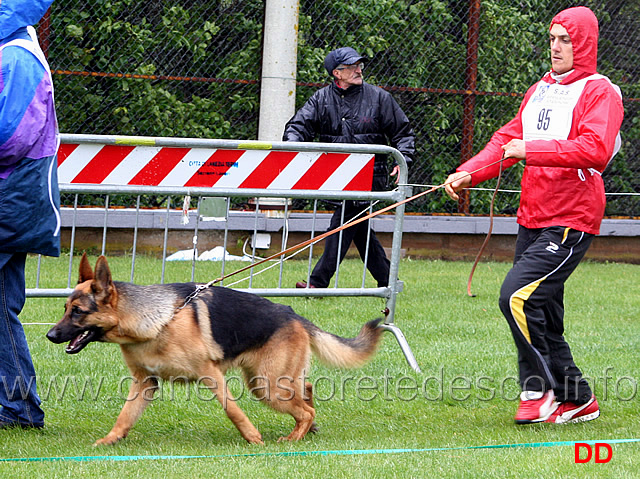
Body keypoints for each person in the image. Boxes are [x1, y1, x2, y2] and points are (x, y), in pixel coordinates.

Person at [445, 6, 624, 425]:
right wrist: (469, 172)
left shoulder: (601, 92)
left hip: (571, 218)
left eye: (565, 39)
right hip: (533, 215)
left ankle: (537, 390)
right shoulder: (540, 88)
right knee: (543, 312)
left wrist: (534, 149)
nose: (557, 47)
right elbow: (507, 139)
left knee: (516, 297)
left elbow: (595, 149)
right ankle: (578, 398)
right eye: (552, 39)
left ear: (583, 43)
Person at [283, 47, 415, 289]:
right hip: (334, 177)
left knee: (346, 220)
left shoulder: (379, 97)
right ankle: (388, 280)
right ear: (337, 73)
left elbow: (403, 133)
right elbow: (297, 127)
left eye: (360, 65)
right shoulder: (321, 99)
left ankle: (318, 282)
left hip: (371, 176)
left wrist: (402, 159)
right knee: (358, 226)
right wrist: (294, 149)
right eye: (352, 66)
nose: (358, 70)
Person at [0, 0, 60, 429]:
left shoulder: (16, 56)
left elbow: (12, 136)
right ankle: (19, 408)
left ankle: (18, 408)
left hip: (11, 199)